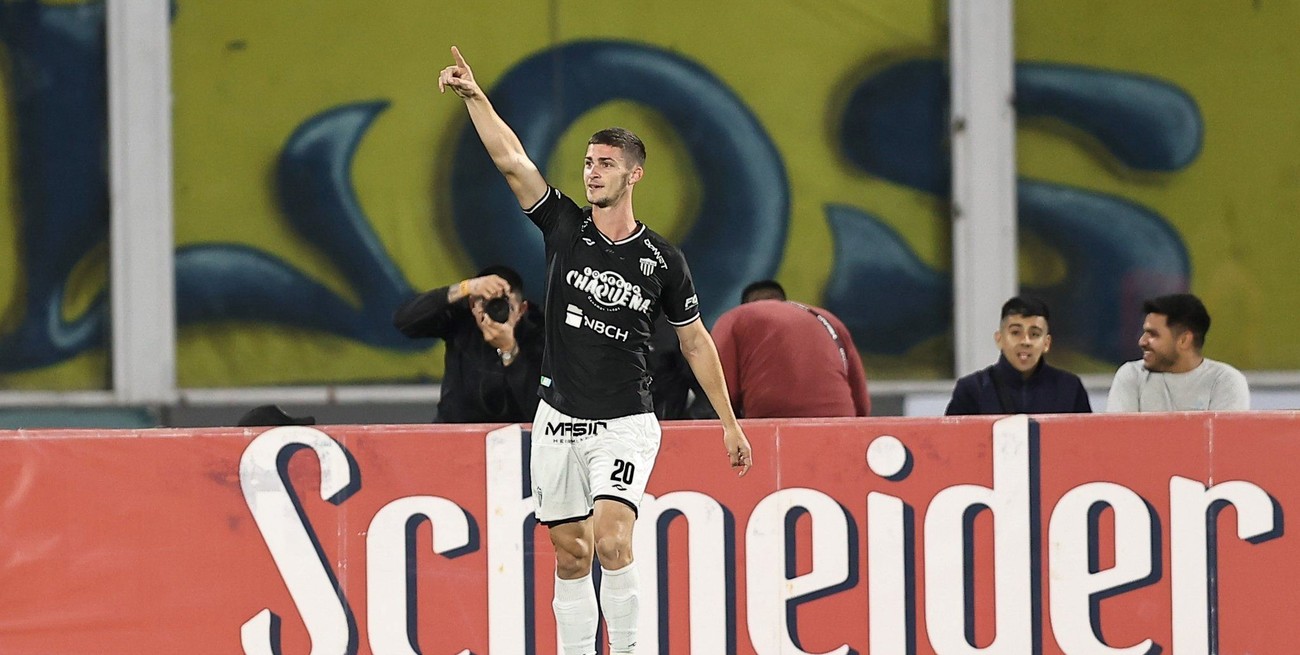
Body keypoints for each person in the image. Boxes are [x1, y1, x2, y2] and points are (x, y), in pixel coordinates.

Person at [439, 46, 752, 655]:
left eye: (605, 164)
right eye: (587, 163)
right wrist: (476, 98)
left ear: (634, 176)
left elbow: (694, 339)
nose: (591, 173)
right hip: (558, 419)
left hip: (625, 421)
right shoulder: (564, 226)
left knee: (611, 540)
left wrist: (729, 423)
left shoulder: (663, 261)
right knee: (571, 552)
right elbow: (512, 160)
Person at [393, 265, 544, 423]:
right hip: (455, 429)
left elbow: (539, 409)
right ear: (472, 305)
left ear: (521, 309)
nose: (494, 312)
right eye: (486, 303)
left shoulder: (540, 331)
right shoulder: (461, 318)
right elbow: (403, 321)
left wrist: (510, 350)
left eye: (504, 304)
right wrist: (465, 288)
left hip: (518, 431)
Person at [711, 295, 870, 418]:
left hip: (769, 426)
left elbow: (716, 395)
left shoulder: (732, 319)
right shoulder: (828, 319)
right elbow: (862, 404)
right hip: (841, 424)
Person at [945, 296, 1091, 415]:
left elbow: (1087, 440)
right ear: (999, 339)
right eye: (1016, 332)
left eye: (1034, 334)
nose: (1025, 341)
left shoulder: (1069, 388)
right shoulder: (972, 389)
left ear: (1046, 343)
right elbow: (952, 440)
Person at [1106, 293, 1250, 411]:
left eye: (1153, 334)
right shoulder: (1131, 375)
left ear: (1184, 340)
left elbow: (1221, 438)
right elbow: (1119, 436)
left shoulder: (1226, 381)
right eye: (1145, 333)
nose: (1142, 341)